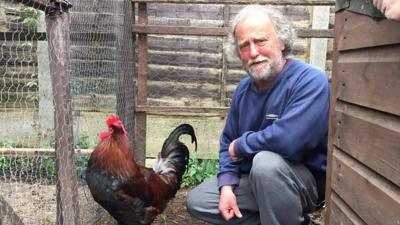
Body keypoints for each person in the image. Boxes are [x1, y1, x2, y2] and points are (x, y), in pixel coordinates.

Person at [186, 5, 329, 225]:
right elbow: (227, 142)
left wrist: (242, 145)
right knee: (199, 200)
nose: (253, 52)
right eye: (244, 46)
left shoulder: (310, 80)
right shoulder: (243, 90)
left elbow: (289, 140)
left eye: (260, 41)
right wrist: (226, 186)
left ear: (281, 42)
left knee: (266, 164)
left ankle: (286, 216)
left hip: (301, 182)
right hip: (255, 180)